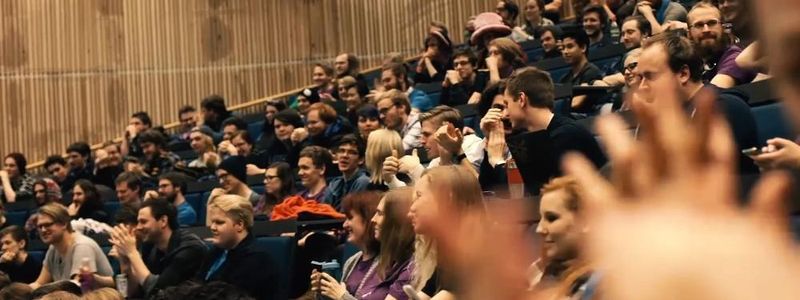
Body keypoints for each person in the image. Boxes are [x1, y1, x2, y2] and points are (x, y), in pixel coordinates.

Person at [636, 31, 759, 173]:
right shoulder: (659, 118)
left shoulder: (725, 109)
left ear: (683, 74)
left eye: (650, 76)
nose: (642, 87)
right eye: (641, 78)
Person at [504, 67, 607, 193]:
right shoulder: (537, 136)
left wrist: (497, 160)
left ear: (521, 99)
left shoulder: (567, 136)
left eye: (506, 104)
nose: (505, 113)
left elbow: (545, 195)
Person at [407, 165, 485, 299]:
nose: (411, 210)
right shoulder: (450, 252)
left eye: (419, 196)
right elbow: (426, 293)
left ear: (447, 199)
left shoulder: (474, 258)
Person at [108, 198, 207, 298]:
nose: (138, 227)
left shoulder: (190, 249)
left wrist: (132, 252)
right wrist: (125, 263)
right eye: (138, 222)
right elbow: (132, 293)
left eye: (143, 222)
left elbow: (157, 289)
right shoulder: (150, 245)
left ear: (163, 221)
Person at [199, 194, 278, 300]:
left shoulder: (257, 260)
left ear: (240, 225)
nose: (212, 227)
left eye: (219, 222)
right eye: (212, 222)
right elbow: (196, 282)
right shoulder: (216, 251)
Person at [529, 176, 593, 298]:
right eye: (540, 219)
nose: (539, 229)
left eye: (551, 218)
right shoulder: (541, 270)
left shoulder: (601, 285)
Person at [29, 203, 114, 290]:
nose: (43, 230)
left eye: (47, 225)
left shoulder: (82, 246)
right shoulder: (53, 248)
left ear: (64, 224)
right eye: (40, 226)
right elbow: (39, 283)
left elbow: (77, 289)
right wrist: (22, 291)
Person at [687, 3, 756, 88]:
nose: (706, 30)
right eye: (699, 25)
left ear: (723, 27)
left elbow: (714, 93)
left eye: (712, 23)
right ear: (689, 33)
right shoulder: (691, 61)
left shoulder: (734, 57)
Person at [559, 29, 605, 112]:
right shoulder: (564, 78)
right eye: (563, 48)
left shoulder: (592, 72)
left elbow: (576, 104)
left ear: (583, 48)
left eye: (570, 46)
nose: (565, 52)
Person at [325, 136, 370, 211]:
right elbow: (323, 211)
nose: (345, 156)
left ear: (361, 160)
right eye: (342, 151)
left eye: (352, 152)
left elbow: (350, 214)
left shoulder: (363, 182)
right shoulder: (334, 183)